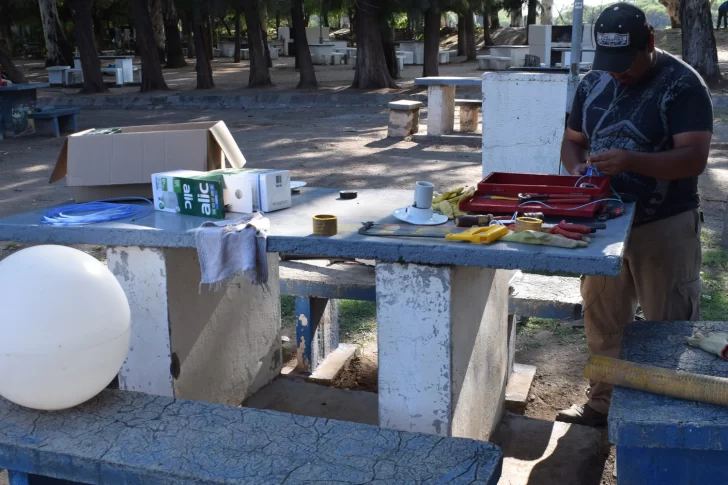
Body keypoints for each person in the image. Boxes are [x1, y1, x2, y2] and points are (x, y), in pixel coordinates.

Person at [557, 3, 712, 427]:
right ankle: (603, 404)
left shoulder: (682, 84)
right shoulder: (593, 83)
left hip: (664, 226)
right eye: (609, 64)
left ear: (650, 43)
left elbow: (694, 158)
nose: (617, 73)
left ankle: (665, 414)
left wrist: (631, 160)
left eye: (625, 63)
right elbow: (572, 141)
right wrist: (576, 168)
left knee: (669, 323)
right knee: (603, 316)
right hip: (603, 222)